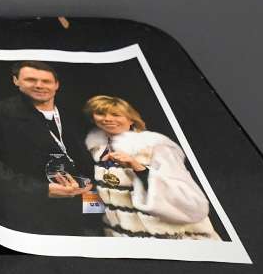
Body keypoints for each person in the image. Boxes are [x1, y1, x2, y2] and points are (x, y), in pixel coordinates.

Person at [0, 61, 98, 235]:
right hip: (30, 217)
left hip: (80, 213)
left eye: (45, 81)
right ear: (16, 81)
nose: (39, 85)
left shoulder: (75, 115)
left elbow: (87, 165)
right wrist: (41, 191)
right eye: (31, 80)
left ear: (56, 85)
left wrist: (94, 208)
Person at [83, 95, 221, 240]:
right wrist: (92, 226)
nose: (107, 119)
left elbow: (183, 196)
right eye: (100, 114)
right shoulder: (95, 148)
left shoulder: (155, 146)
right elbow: (95, 190)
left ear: (131, 120)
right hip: (120, 233)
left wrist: (138, 167)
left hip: (164, 233)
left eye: (116, 115)